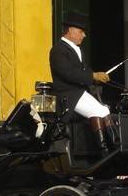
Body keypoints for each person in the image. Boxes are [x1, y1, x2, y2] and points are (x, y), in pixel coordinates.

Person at [49, 11, 116, 154]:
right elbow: (69, 73)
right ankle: (106, 150)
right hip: (69, 96)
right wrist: (93, 76)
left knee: (103, 111)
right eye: (81, 31)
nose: (84, 35)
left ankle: (107, 149)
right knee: (101, 110)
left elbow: (84, 71)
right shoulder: (58, 50)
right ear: (71, 31)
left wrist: (98, 77)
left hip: (80, 93)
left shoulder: (78, 50)